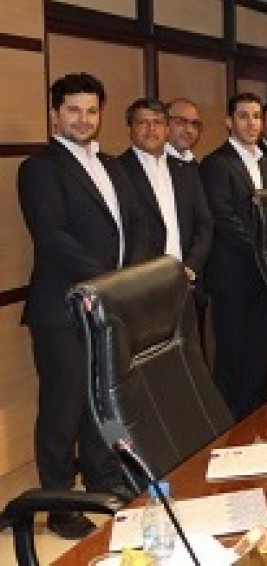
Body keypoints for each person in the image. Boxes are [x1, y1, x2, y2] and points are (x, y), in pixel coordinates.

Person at [19, 73, 145, 538]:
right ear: (55, 113)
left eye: (91, 110)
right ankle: (59, 504)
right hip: (62, 309)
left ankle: (102, 483)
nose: (83, 119)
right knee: (63, 409)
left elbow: (136, 224)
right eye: (73, 110)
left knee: (102, 403)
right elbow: (52, 237)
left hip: (107, 306)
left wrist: (127, 281)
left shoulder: (111, 164)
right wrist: (109, 281)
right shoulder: (39, 168)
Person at [201, 92, 267, 419]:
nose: (251, 123)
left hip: (262, 274)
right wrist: (262, 250)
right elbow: (223, 217)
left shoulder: (266, 160)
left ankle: (258, 417)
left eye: (256, 116)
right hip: (233, 273)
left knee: (258, 351)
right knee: (232, 354)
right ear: (229, 121)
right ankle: (230, 423)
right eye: (243, 116)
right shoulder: (216, 163)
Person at [119, 98, 213, 282]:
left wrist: (191, 266)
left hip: (186, 278)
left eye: (158, 123)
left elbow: (204, 224)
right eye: (143, 123)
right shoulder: (117, 170)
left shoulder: (185, 170)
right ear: (129, 130)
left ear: (167, 129)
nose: (151, 129)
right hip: (141, 280)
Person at [165, 97, 203, 163]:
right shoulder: (154, 162)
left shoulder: (192, 163)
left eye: (194, 123)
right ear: (165, 123)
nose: (189, 130)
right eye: (181, 122)